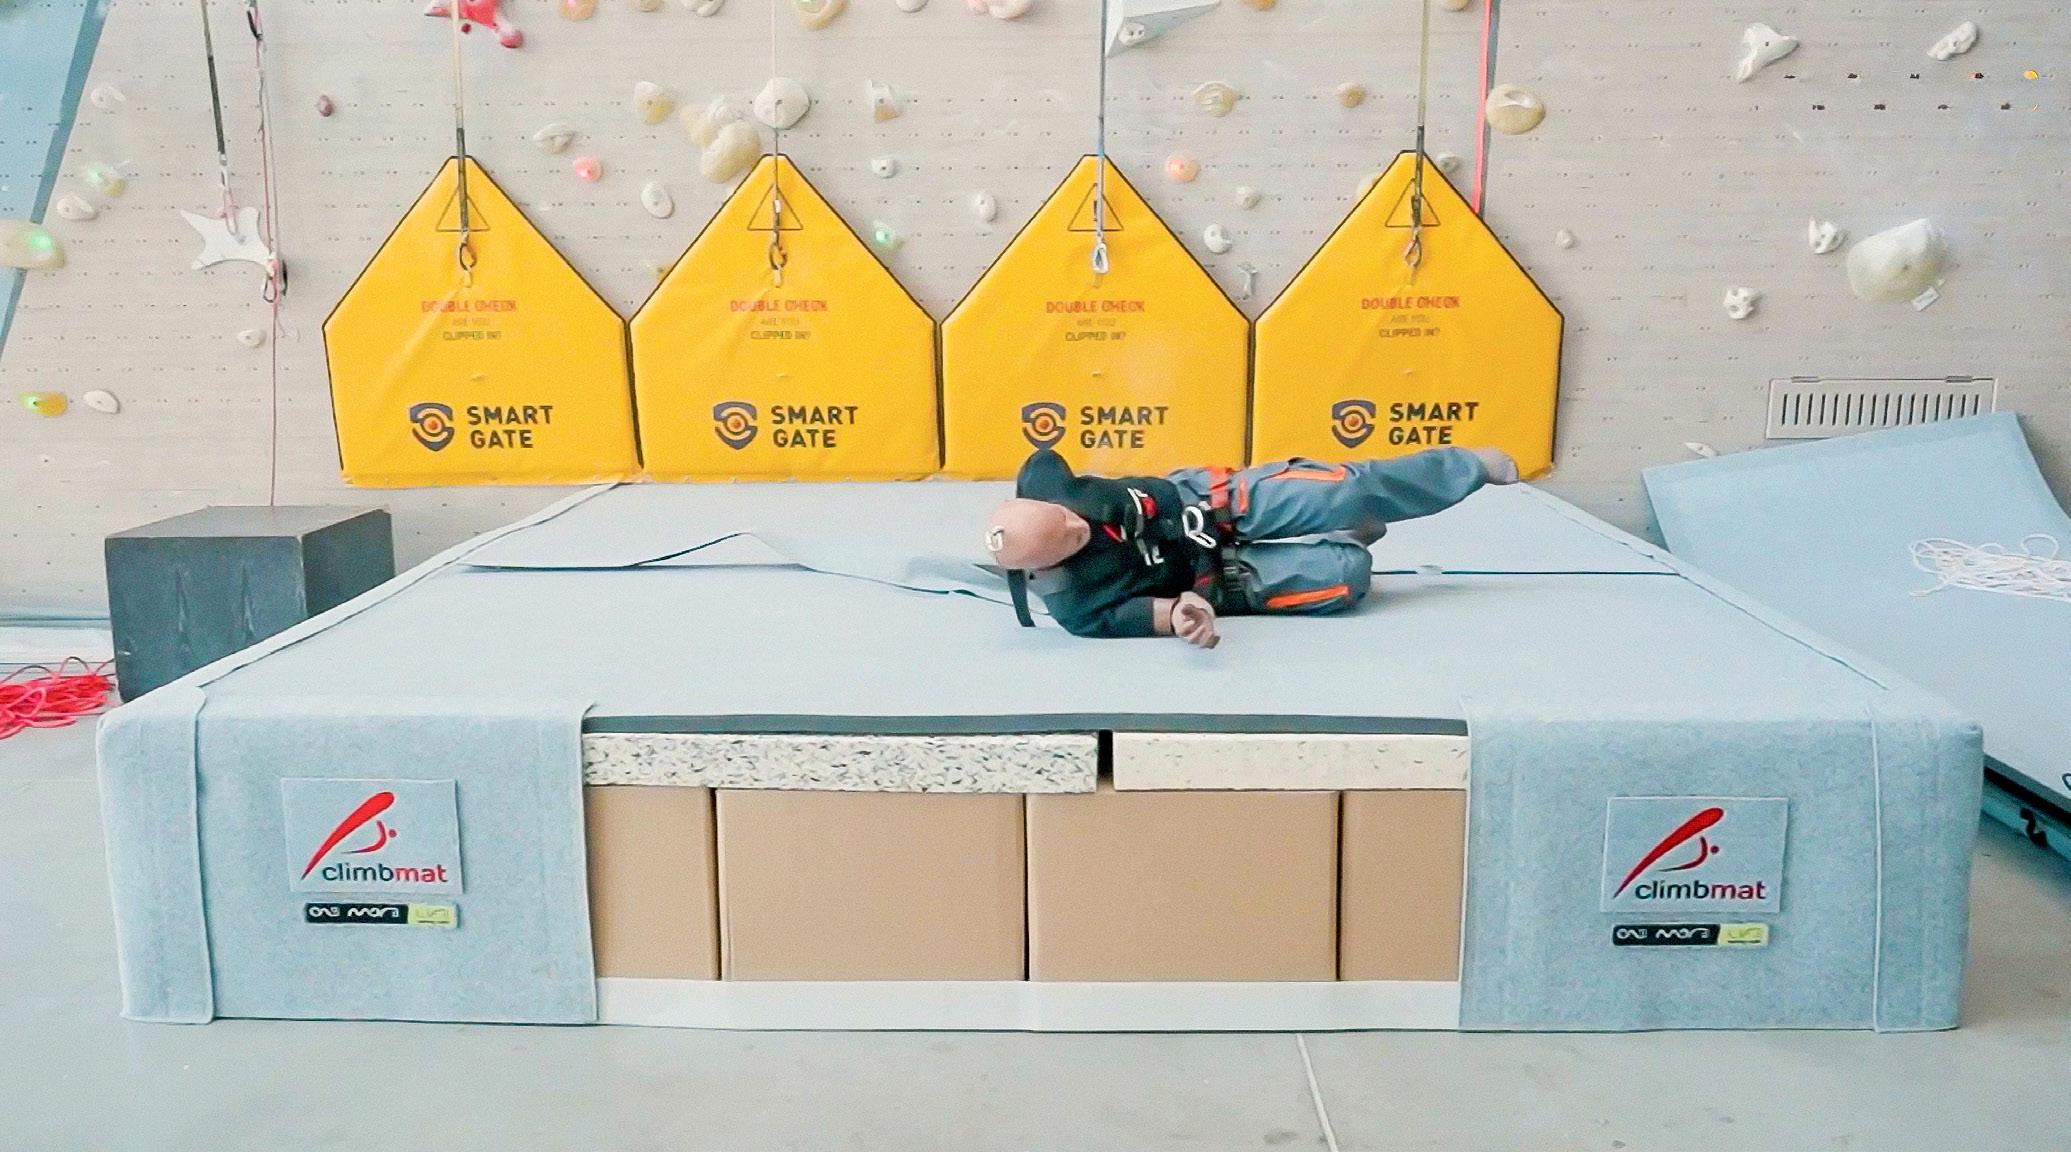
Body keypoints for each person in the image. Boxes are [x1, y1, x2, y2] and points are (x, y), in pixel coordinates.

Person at [985, 446, 1520, 646]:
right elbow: (1165, 614)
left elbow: (1043, 458)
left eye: (1064, 516)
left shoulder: (1045, 481)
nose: (1076, 523)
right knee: (1347, 576)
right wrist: (1187, 617)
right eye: (1069, 538)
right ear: (1046, 567)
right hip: (1219, 578)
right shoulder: (1079, 607)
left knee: (1345, 490)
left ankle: (1465, 467)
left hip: (1208, 502)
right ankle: (1344, 536)